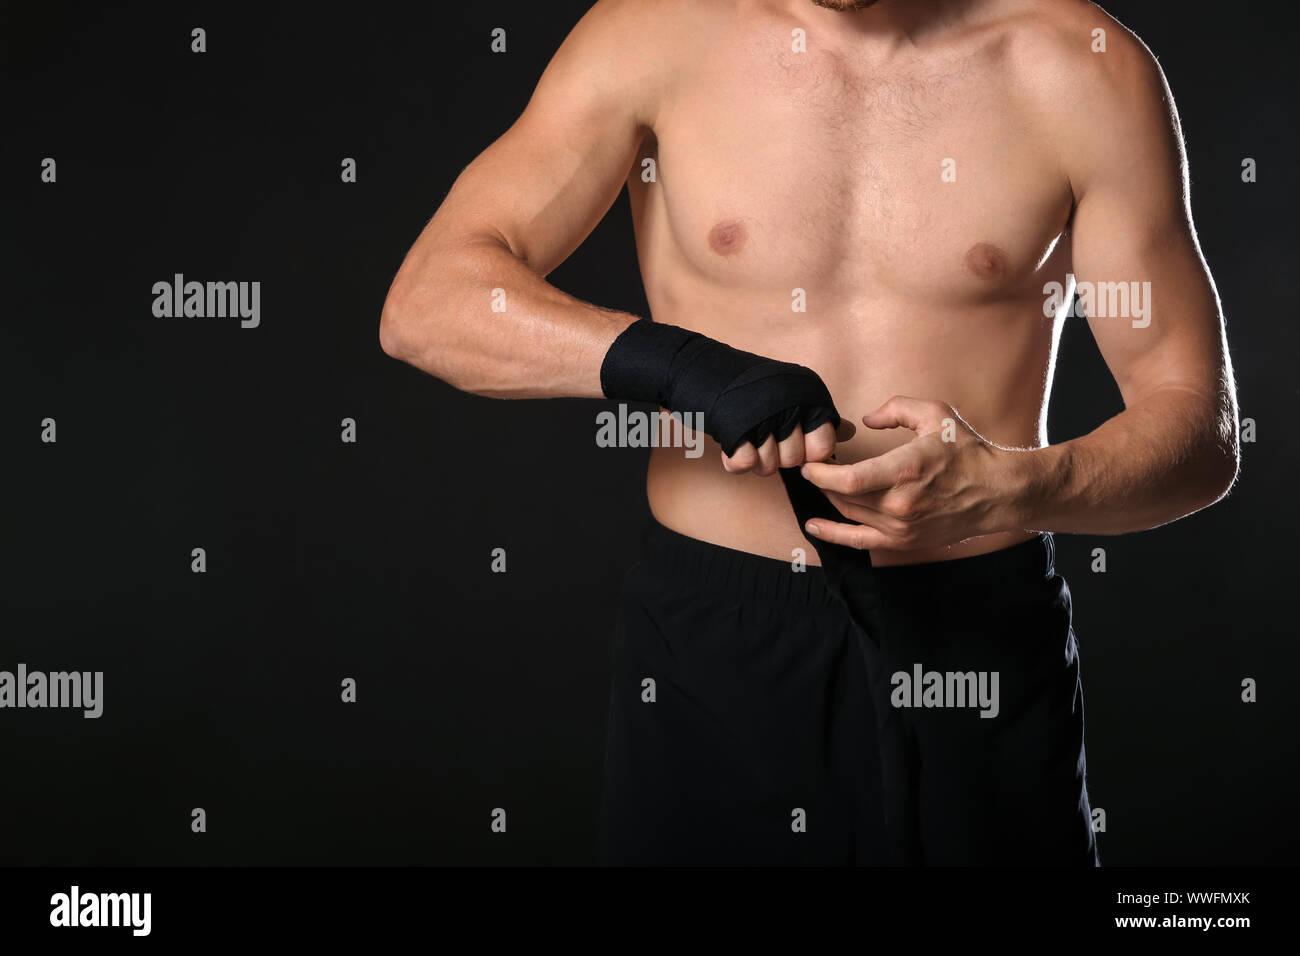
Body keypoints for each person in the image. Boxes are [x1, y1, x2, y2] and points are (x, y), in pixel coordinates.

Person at [379, 0, 1239, 864]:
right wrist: (677, 365)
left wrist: (1018, 486)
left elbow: (1199, 428)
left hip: (976, 634)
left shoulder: (1079, 63)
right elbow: (429, 303)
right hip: (718, 645)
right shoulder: (651, 32)